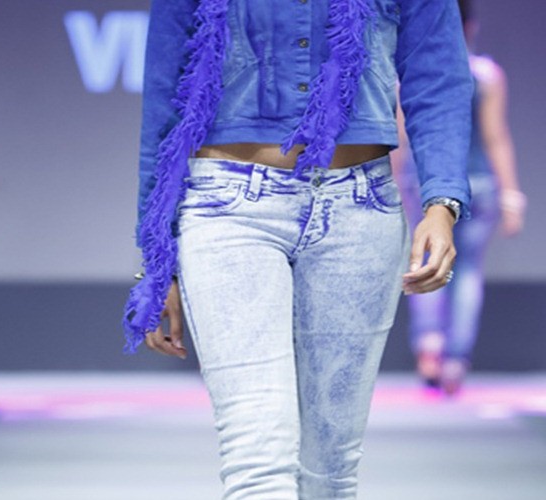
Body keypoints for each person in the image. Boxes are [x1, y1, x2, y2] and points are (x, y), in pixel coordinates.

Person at [122, 0, 474, 498]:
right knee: (257, 457)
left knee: (330, 470)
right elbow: (165, 94)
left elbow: (436, 73)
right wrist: (158, 260)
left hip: (360, 207)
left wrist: (442, 203)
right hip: (227, 207)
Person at [392, 0, 526, 396]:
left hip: (424, 183)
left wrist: (393, 186)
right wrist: (511, 196)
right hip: (479, 185)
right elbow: (496, 137)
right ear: (470, 28)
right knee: (466, 270)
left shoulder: (411, 74)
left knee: (425, 262)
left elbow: (402, 138)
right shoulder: (486, 76)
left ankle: (429, 344)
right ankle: (455, 359)